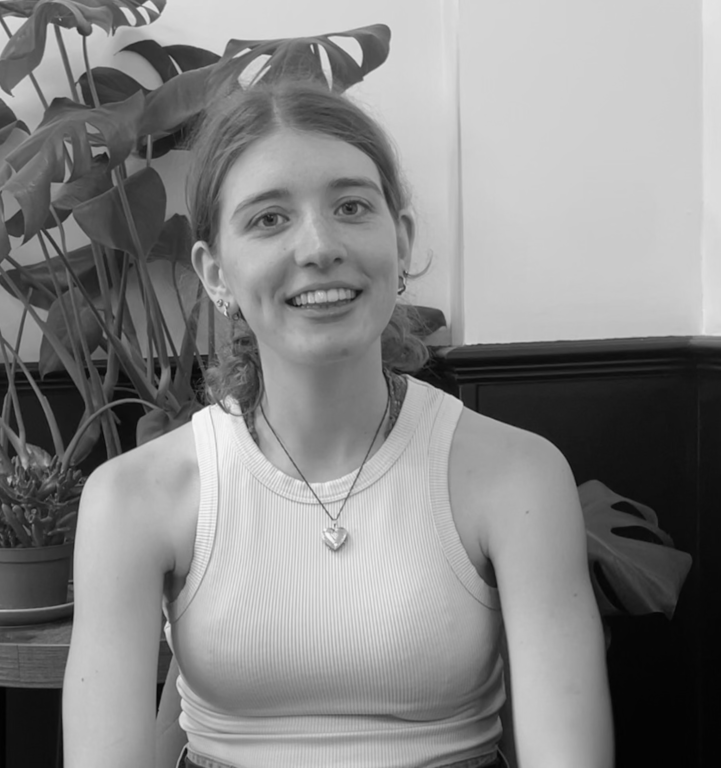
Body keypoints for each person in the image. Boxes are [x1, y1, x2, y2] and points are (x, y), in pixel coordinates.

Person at [62, 79, 613, 768]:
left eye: (351, 206)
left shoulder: (517, 478)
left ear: (401, 240)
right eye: (268, 219)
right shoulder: (131, 498)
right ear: (214, 274)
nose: (319, 246)